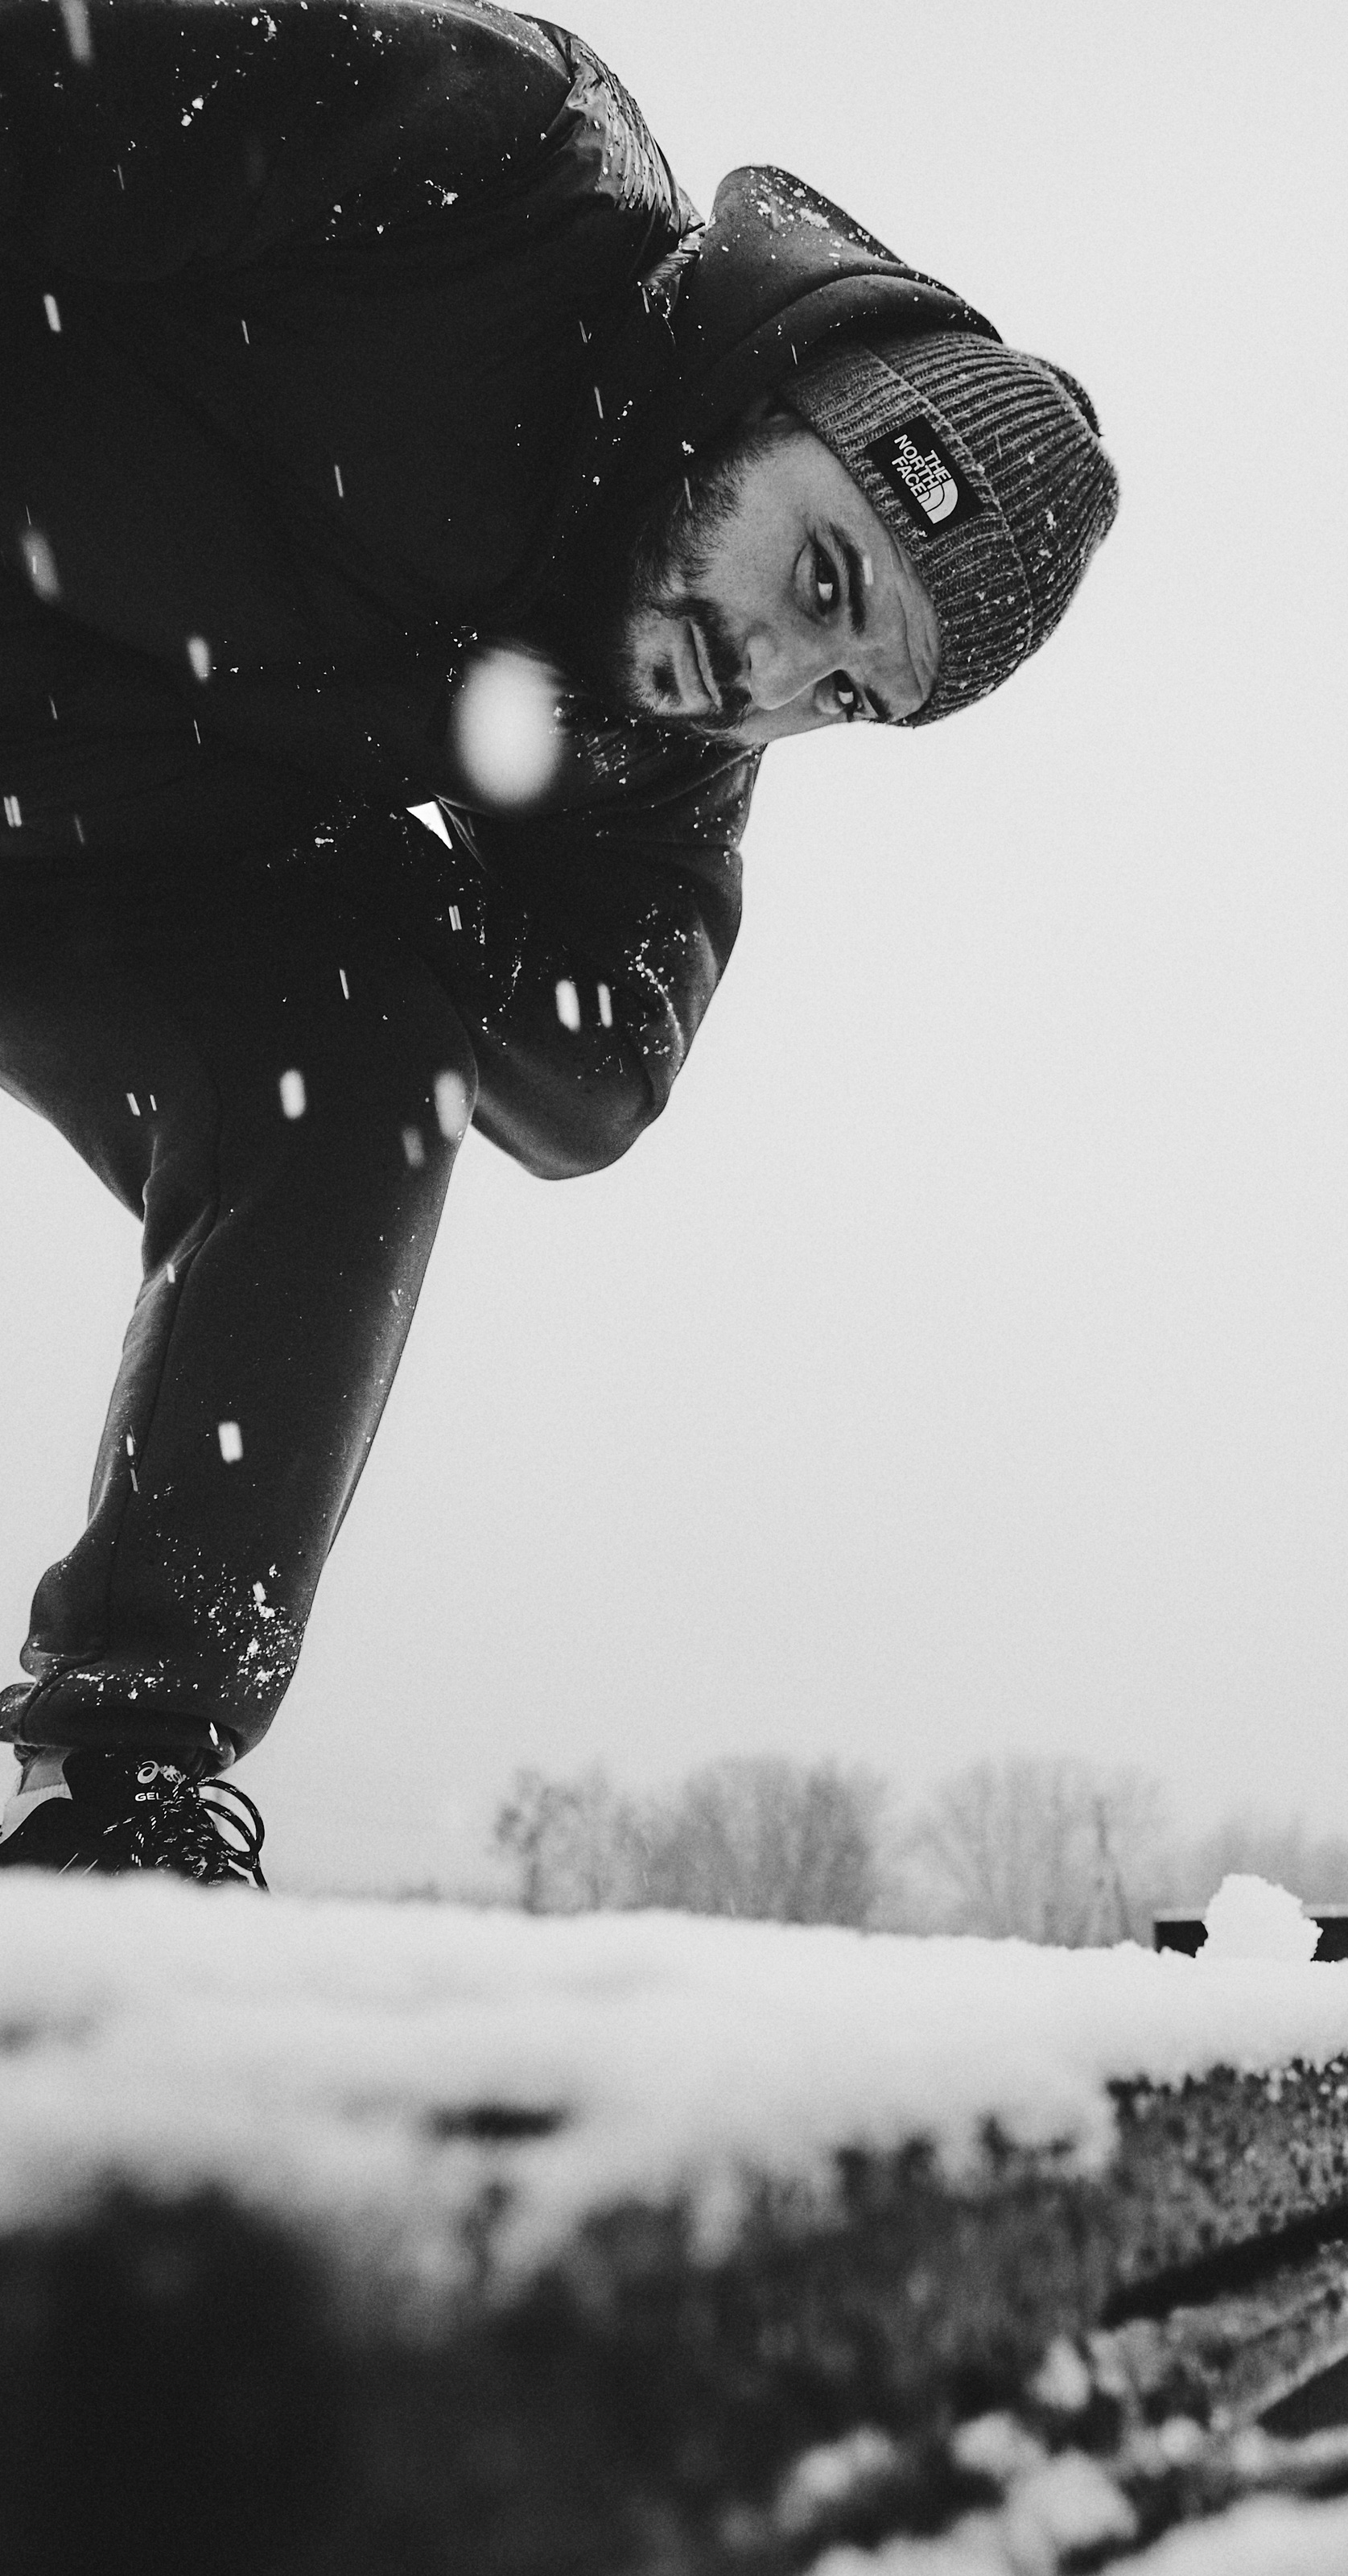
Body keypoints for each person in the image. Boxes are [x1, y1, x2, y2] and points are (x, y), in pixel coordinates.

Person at [0, 0, 1118, 1882]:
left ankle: (111, 1780)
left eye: (846, 692)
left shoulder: (652, 730)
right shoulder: (497, 166)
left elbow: (601, 1059)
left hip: (75, 881)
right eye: (819, 573)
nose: (768, 676)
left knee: (359, 1051)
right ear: (772, 390)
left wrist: (410, 892)